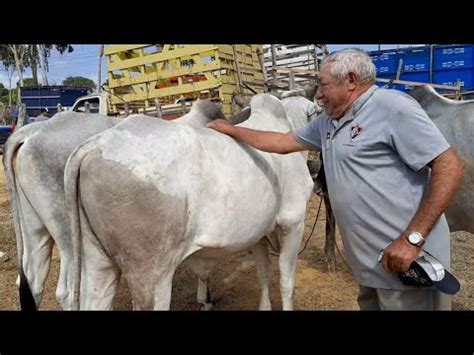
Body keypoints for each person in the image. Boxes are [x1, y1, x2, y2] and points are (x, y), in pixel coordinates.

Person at [207, 48, 464, 311]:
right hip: (370, 266)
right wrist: (230, 129)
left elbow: (449, 165)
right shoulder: (327, 123)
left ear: (351, 81)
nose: (318, 94)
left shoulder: (392, 107)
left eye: (323, 84)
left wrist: (413, 240)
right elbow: (282, 142)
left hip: (406, 262)